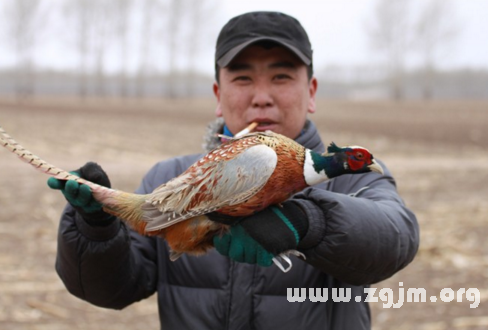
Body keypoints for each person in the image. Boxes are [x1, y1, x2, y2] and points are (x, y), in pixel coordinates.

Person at [50, 11, 419, 330]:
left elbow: (394, 238)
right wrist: (96, 230)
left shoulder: (352, 177)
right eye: (243, 78)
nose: (261, 96)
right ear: (217, 94)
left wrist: (310, 222)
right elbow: (111, 287)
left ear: (312, 92)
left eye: (281, 77)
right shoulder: (172, 177)